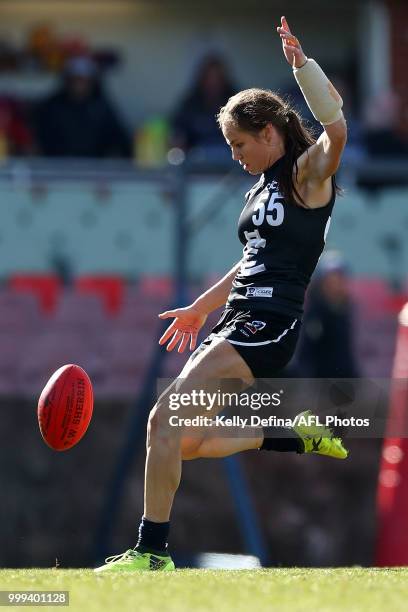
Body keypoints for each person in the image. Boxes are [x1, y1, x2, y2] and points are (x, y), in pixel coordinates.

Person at [95, 16, 349, 573]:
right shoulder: (260, 190)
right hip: (236, 319)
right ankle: (296, 435)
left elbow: (337, 132)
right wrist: (197, 309)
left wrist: (302, 69)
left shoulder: (307, 176)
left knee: (164, 417)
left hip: (271, 324)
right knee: (187, 441)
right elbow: (246, 266)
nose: (235, 155)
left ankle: (151, 552)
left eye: (240, 144)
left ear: (268, 134)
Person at [34, 56, 131, 158]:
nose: (79, 84)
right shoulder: (51, 106)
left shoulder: (102, 107)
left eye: (84, 79)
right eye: (75, 78)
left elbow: (120, 138)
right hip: (57, 165)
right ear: (67, 80)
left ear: (92, 81)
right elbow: (38, 139)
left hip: (94, 166)